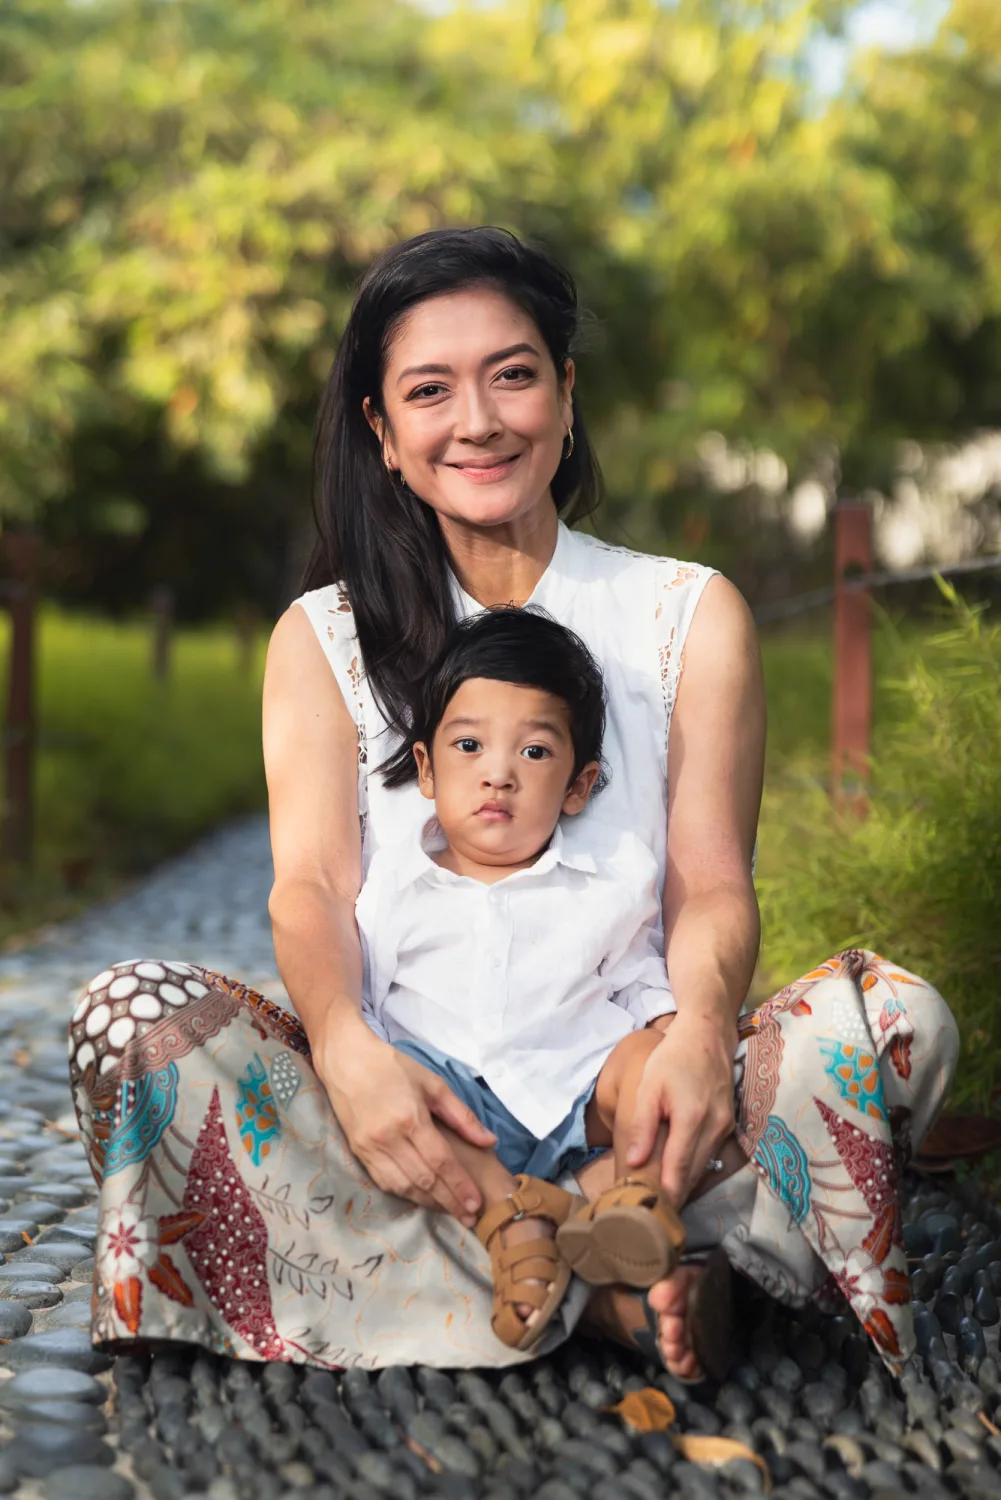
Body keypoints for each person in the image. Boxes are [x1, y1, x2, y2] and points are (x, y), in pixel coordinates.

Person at [70, 226, 959, 1379]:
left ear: (566, 393)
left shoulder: (685, 615)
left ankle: (498, 1264)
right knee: (127, 1017)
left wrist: (696, 1036)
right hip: (403, 1126)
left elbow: (711, 884)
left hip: (628, 1115)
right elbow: (310, 888)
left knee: (892, 1025)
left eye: (513, 373)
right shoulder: (323, 640)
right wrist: (343, 1050)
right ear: (383, 437)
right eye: (430, 391)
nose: (478, 420)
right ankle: (611, 1289)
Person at [356, 605, 728, 1358]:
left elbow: (638, 984)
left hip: (573, 1095)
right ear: (426, 769)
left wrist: (670, 1042)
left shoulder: (607, 882)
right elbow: (362, 1005)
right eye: (468, 746)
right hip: (456, 1113)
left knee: (653, 1067)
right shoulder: (393, 890)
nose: (497, 772)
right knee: (401, 1078)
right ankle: (516, 1219)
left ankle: (621, 1201)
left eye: (532, 752)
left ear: (577, 786)